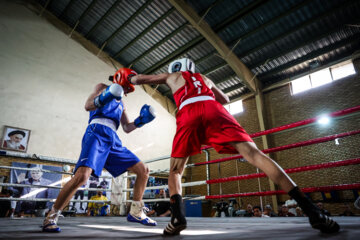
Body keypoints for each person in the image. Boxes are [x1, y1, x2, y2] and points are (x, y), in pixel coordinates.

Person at [129, 58, 340, 235]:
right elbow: (226, 98)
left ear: (175, 69)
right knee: (255, 155)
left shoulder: (171, 77)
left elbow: (140, 79)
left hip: (188, 112)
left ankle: (177, 219)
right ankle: (312, 211)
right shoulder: (205, 78)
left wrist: (126, 78)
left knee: (175, 170)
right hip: (213, 108)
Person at [42, 68, 157, 232]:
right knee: (82, 176)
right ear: (122, 78)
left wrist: (142, 120)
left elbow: (126, 127)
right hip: (96, 132)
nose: (126, 92)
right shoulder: (103, 87)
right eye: (126, 87)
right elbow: (88, 105)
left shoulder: (121, 102)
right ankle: (51, 216)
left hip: (113, 139)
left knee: (143, 170)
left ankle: (136, 211)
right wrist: (107, 95)